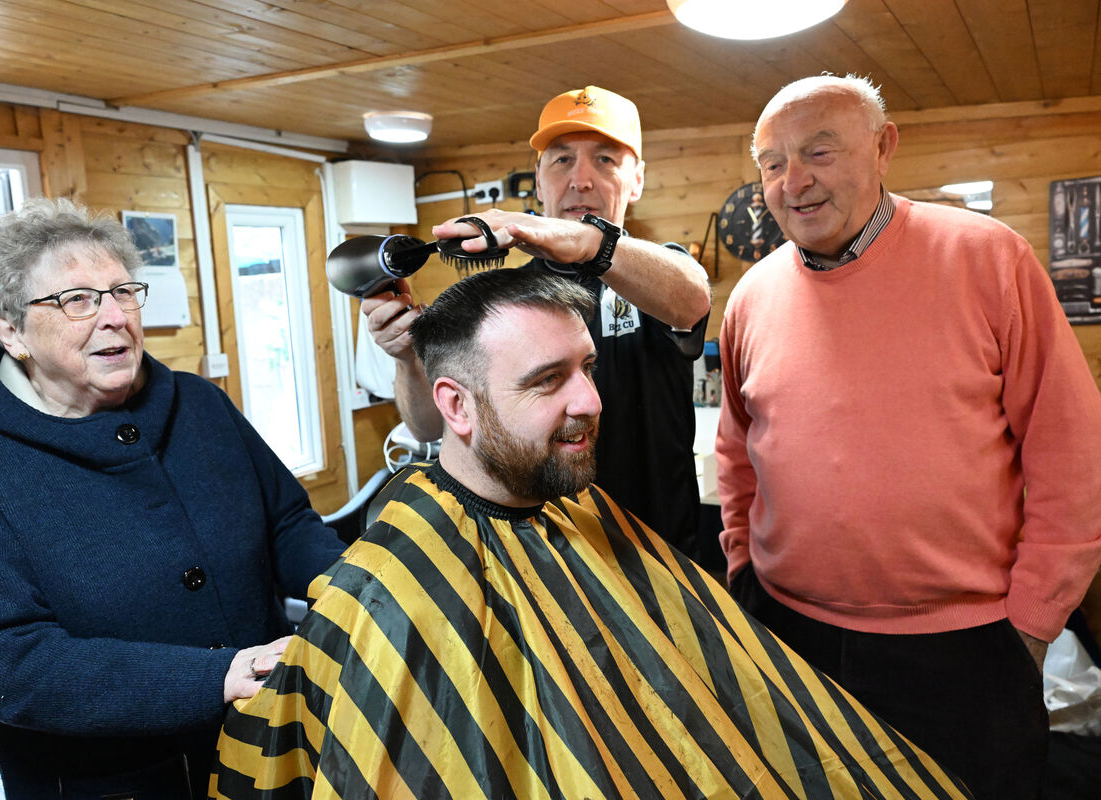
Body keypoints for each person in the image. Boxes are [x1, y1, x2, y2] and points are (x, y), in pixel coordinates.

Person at [210, 268, 970, 800]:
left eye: (587, 368)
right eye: (548, 381)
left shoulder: (584, 512)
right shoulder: (387, 588)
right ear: (458, 405)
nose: (590, 399)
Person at [716, 74, 1101, 800]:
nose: (791, 182)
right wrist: (742, 567)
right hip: (790, 634)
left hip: (968, 650)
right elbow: (737, 453)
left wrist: (1034, 622)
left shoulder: (989, 258)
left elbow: (1072, 453)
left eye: (818, 153)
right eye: (771, 163)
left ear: (883, 147)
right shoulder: (749, 297)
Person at [0, 198, 347, 799]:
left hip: (273, 744)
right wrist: (212, 676)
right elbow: (8, 663)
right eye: (77, 300)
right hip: (115, 782)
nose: (114, 316)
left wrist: (360, 593)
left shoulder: (201, 404)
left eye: (123, 291)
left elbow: (287, 524)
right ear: (10, 328)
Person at [361, 85, 713, 562]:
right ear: (540, 180)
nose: (581, 180)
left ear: (637, 182)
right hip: (545, 562)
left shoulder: (660, 276)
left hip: (661, 554)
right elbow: (427, 427)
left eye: (606, 160)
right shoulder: (502, 300)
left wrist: (590, 241)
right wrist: (406, 357)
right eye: (562, 160)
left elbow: (690, 295)